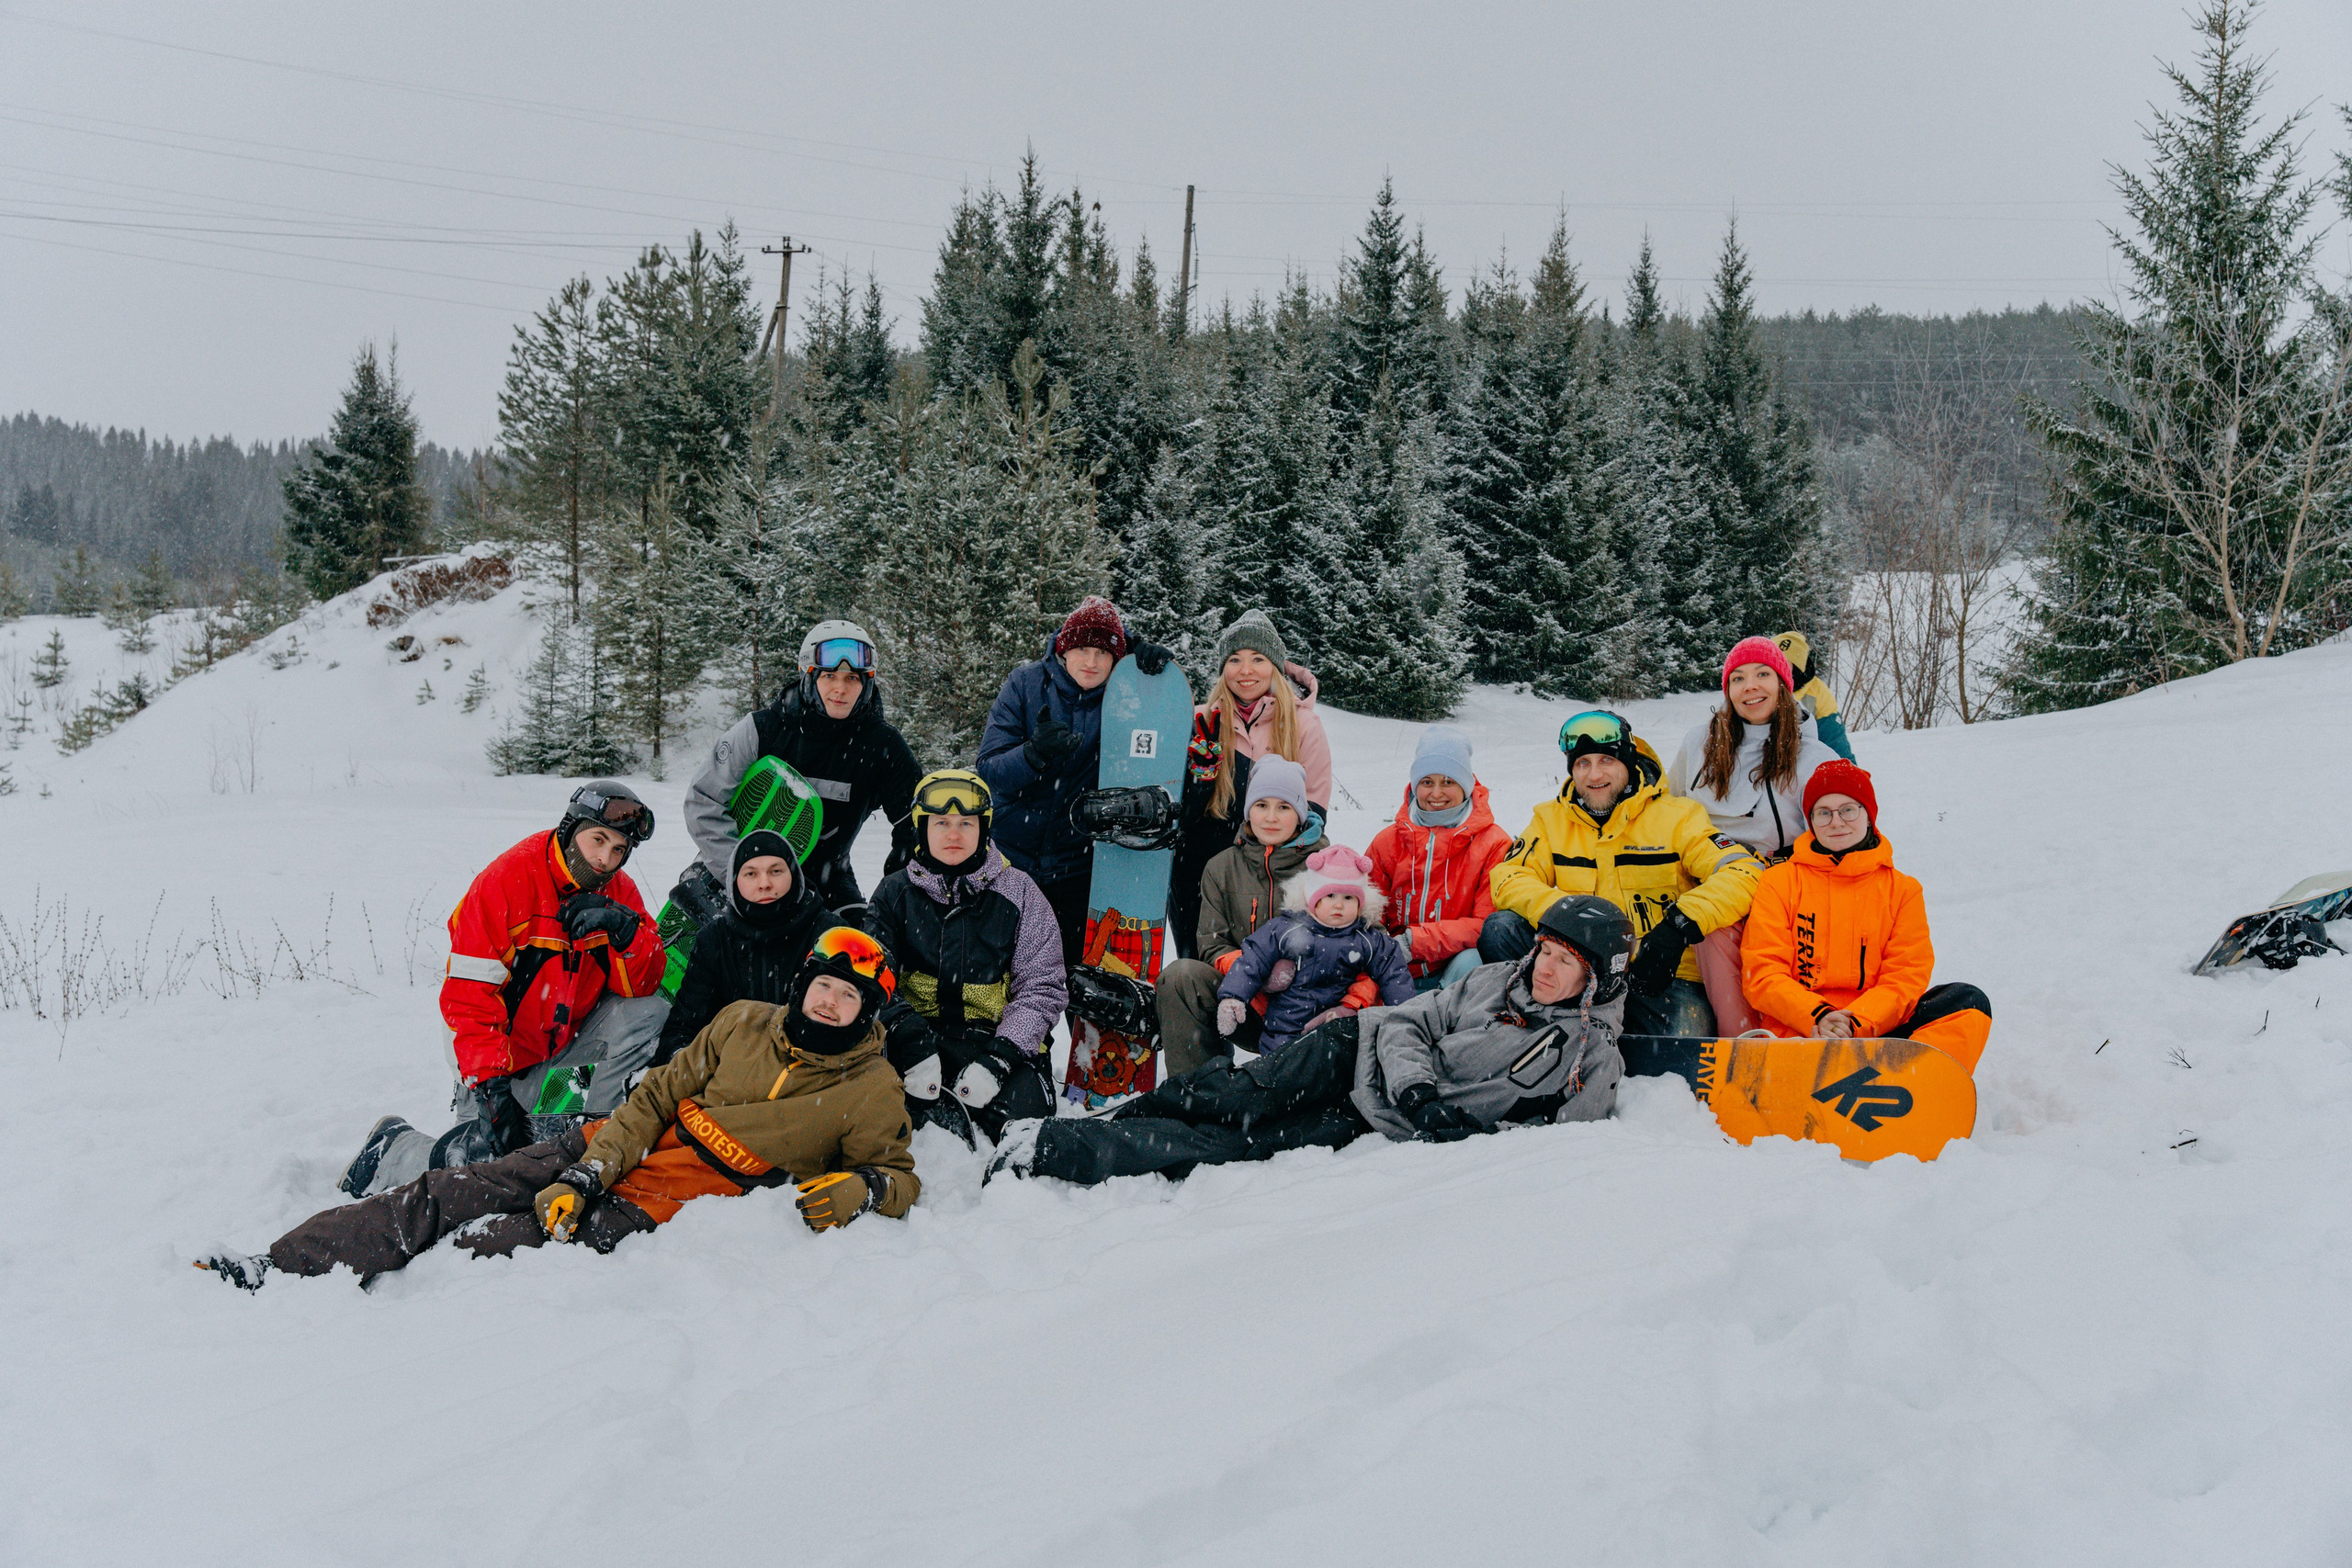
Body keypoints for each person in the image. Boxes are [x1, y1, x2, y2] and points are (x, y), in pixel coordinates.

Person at [198, 930, 918, 1290]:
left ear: (867, 1009)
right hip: (608, 1144)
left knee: (485, 1245)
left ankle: (384, 1292)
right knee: (449, 1191)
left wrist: (867, 1186)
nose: (829, 1000)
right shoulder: (744, 1020)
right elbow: (661, 1090)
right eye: (823, 984)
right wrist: (591, 1166)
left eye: (848, 995)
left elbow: (898, 1174)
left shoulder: (870, 1087)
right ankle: (279, 1265)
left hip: (665, 1199)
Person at [989, 896, 1631, 1187]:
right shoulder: (1498, 978)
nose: (1544, 967)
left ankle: (1056, 1150)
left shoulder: (1590, 1058)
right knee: (1233, 1093)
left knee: (1238, 1144)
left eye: (1565, 961)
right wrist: (1420, 1089)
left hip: (1370, 1114)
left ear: (1597, 978)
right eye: (1544, 950)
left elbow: (1559, 1144)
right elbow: (1410, 1020)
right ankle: (1077, 1128)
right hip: (1357, 1046)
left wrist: (1475, 1129)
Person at [337, 783, 669, 1200]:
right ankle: (393, 1148)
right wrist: (492, 1091)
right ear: (571, 828)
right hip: (496, 1063)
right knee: (490, 1177)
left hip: (562, 1053)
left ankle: (578, 1128)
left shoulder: (618, 891)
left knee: (649, 1012)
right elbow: (468, 998)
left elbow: (641, 987)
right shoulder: (509, 881)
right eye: (597, 840)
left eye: (619, 849)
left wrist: (626, 931)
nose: (605, 859)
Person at [1483, 711, 1762, 1038]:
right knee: (1501, 928)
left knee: (1679, 1060)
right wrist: (1572, 919)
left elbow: (1744, 870)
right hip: (1576, 966)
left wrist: (1679, 925)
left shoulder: (1678, 818)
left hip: (1657, 974)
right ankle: (1536, 1028)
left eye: (1606, 760)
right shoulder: (1550, 819)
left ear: (1628, 763)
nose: (1594, 774)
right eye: (1582, 763)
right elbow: (1507, 876)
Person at [1743, 760, 1992, 1070]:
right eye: (1824, 813)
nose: (1836, 822)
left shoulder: (1902, 890)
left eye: (1848, 809)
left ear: (1869, 815)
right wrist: (1818, 1016)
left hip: (1878, 1035)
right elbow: (1763, 973)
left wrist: (1856, 1024)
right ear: (1810, 821)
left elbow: (1905, 977)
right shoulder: (1780, 882)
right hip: (1801, 1034)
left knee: (1968, 1003)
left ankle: (1911, 1083)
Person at [868, 768, 1069, 1144]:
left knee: (1025, 1129)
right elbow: (870, 977)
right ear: (921, 828)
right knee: (868, 1112)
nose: (954, 834)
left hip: (994, 1041)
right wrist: (909, 1040)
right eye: (942, 822)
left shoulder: (1021, 893)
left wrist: (999, 1060)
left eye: (966, 823)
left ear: (984, 829)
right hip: (915, 1040)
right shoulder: (894, 892)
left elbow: (1042, 989)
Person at [975, 596, 1174, 967]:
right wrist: (1032, 755)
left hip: (1079, 869)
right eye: (1082, 648)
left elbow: (1160, 752)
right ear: (1063, 649)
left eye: (1103, 652)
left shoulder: (1126, 696)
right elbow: (989, 769)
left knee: (1070, 980)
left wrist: (1144, 666)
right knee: (1005, 979)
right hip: (1011, 861)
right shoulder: (1025, 683)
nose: (1092, 662)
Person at [684, 620, 922, 914]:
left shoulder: (885, 746)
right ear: (808, 675)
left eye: (853, 679)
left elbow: (916, 825)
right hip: (738, 872)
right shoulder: (763, 729)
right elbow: (703, 800)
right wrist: (738, 876)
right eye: (830, 676)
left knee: (856, 951)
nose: (840, 689)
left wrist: (893, 902)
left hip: (827, 880)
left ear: (867, 682)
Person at [1170, 610, 1334, 960]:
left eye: (1257, 659)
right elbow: (1180, 815)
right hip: (1204, 869)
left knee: (1274, 969)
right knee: (1201, 967)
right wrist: (1201, 779)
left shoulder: (1304, 725)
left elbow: (1315, 814)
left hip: (1276, 870)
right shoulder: (1201, 719)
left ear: (1275, 665)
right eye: (1235, 660)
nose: (1246, 671)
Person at [1155, 754, 1328, 1074]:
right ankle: (1199, 1090)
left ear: (1301, 814)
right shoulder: (1221, 868)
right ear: (1248, 810)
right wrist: (1255, 975)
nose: (1271, 817)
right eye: (1262, 805)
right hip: (1245, 1003)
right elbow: (1211, 945)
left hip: (1310, 1009)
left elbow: (1347, 944)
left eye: (1284, 807)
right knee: (1181, 977)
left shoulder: (1327, 867)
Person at [1216, 843, 1415, 1059]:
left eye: (1348, 898)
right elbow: (1253, 959)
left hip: (1336, 1029)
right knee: (1281, 1074)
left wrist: (1403, 1017)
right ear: (1312, 899)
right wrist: (1233, 997)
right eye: (1330, 896)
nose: (1338, 905)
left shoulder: (1367, 940)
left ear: (1360, 904)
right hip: (1285, 1028)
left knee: (1337, 1071)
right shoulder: (1286, 929)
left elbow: (1394, 974)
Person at [653, 829, 831, 1070]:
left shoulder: (828, 933)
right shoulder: (715, 939)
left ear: (794, 874)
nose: (765, 884)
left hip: (810, 1072)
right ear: (735, 882)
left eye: (776, 871)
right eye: (751, 874)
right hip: (732, 1076)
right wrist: (686, 1065)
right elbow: (683, 1027)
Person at [1668, 637, 1842, 864]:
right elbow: (1667, 807)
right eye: (1738, 678)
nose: (1750, 685)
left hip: (1776, 881)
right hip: (1697, 871)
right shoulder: (1698, 743)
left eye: (1763, 674)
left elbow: (1838, 839)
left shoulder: (1815, 758)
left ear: (1783, 684)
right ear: (1729, 691)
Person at [1366, 724, 1511, 991]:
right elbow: (1367, 910)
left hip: (1456, 971)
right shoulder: (1388, 841)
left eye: (1448, 781)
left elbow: (1487, 925)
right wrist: (1378, 942)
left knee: (1473, 960)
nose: (1436, 793)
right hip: (1394, 969)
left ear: (1466, 785)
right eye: (1427, 782)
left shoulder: (1493, 844)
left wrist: (1416, 942)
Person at [1773, 630, 1857, 762]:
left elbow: (1835, 744)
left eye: (1785, 664)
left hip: (1807, 764)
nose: (1778, 670)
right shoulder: (1761, 690)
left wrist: (1851, 776)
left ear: (1797, 667)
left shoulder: (1817, 693)